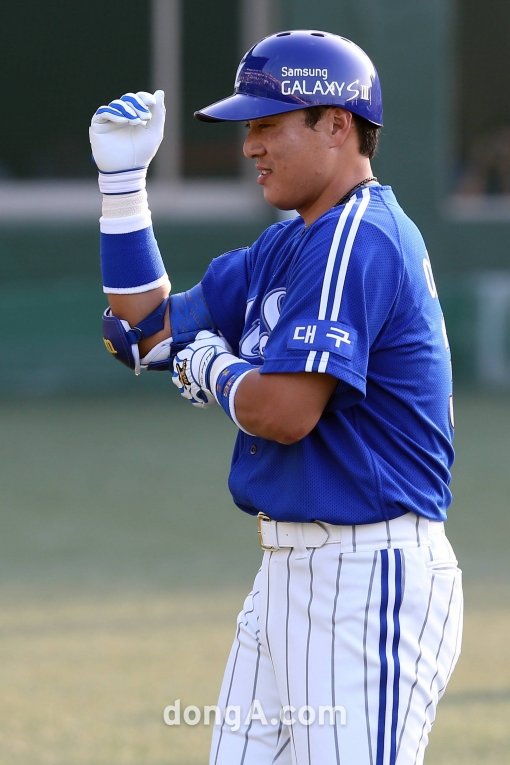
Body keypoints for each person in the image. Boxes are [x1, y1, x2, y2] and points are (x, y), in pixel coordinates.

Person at [89, 29, 463, 765]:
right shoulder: (292, 241)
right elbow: (144, 333)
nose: (250, 145)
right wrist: (123, 188)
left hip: (366, 577)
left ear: (337, 124)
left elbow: (285, 412)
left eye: (267, 124)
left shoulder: (360, 235)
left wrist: (210, 365)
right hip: (291, 574)